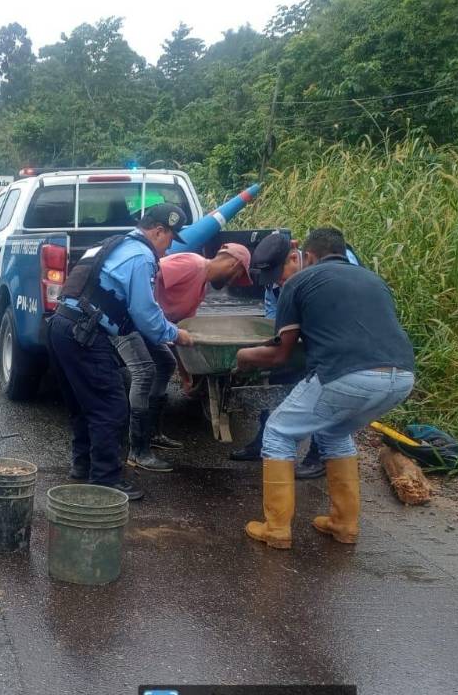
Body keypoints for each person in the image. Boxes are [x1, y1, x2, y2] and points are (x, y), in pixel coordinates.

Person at [235, 227, 414, 549]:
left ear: (301, 256)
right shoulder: (372, 279)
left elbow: (280, 355)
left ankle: (276, 528)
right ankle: (344, 524)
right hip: (400, 377)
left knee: (278, 432)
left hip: (348, 375)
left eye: (279, 273)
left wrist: (242, 356)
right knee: (333, 433)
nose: (278, 281)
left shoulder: (300, 281)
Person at [47, 203, 194, 501]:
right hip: (84, 334)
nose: (167, 249)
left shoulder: (115, 243)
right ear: (158, 231)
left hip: (59, 326)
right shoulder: (141, 257)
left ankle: (83, 465)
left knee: (82, 403)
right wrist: (176, 334)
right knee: (110, 406)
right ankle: (105, 481)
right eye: (169, 239)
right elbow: (145, 315)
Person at [231, 232, 362, 478]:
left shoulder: (341, 267)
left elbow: (343, 313)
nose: (279, 283)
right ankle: (262, 439)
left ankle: (318, 455)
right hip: (302, 336)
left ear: (295, 258)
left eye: (280, 275)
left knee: (325, 403)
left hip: (336, 345)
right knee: (273, 375)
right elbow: (273, 317)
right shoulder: (279, 283)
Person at [118, 243, 253, 472]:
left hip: (151, 328)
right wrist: (149, 318)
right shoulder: (191, 264)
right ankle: (137, 450)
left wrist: (185, 372)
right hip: (130, 319)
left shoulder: (201, 288)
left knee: (166, 362)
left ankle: (152, 434)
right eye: (238, 274)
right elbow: (147, 279)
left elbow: (181, 332)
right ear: (234, 263)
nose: (233, 281)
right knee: (144, 372)